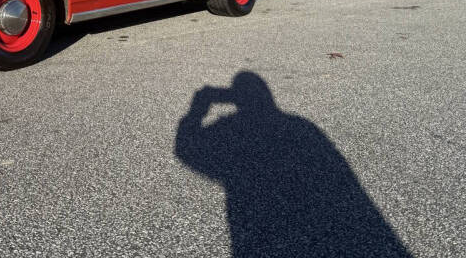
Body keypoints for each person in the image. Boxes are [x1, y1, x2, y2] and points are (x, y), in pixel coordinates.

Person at [174, 72, 411, 257]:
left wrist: (196, 111)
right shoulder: (301, 124)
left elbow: (186, 151)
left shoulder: (228, 128)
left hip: (254, 222)